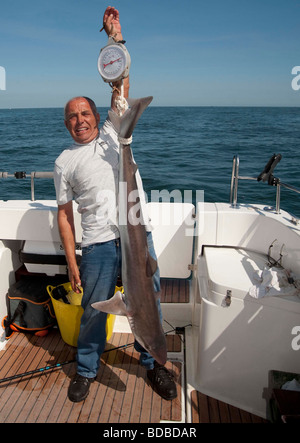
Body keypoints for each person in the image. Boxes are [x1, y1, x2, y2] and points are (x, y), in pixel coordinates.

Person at [53, 6, 177, 403]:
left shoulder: (113, 132)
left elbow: (119, 83)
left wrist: (115, 40)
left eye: (85, 112)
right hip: (98, 244)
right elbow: (64, 215)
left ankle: (153, 362)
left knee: (149, 304)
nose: (80, 120)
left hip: (136, 232)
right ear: (67, 124)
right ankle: (87, 369)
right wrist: (72, 262)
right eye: (72, 116)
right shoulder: (64, 161)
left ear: (97, 115)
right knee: (94, 310)